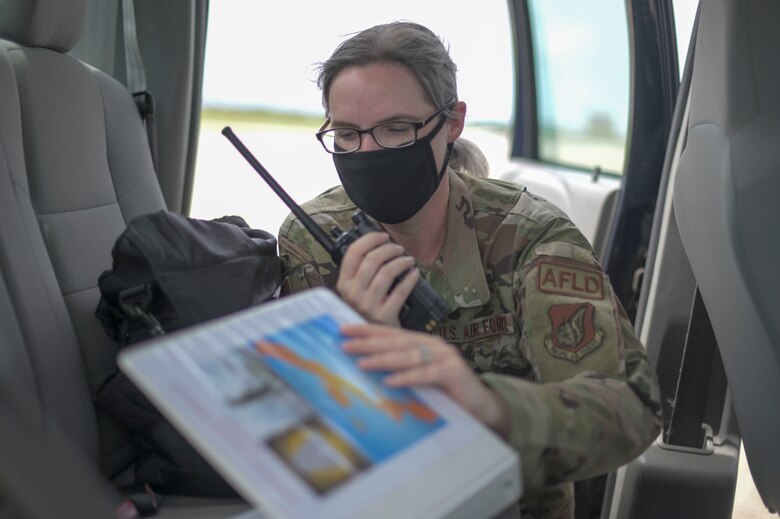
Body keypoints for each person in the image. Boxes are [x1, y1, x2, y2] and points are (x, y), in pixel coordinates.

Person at [277, 21, 662, 518]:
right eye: (347, 135)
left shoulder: (530, 239)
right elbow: (293, 422)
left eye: (396, 129)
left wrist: (487, 406)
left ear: (452, 123)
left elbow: (630, 407)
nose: (367, 154)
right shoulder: (312, 236)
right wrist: (345, 341)